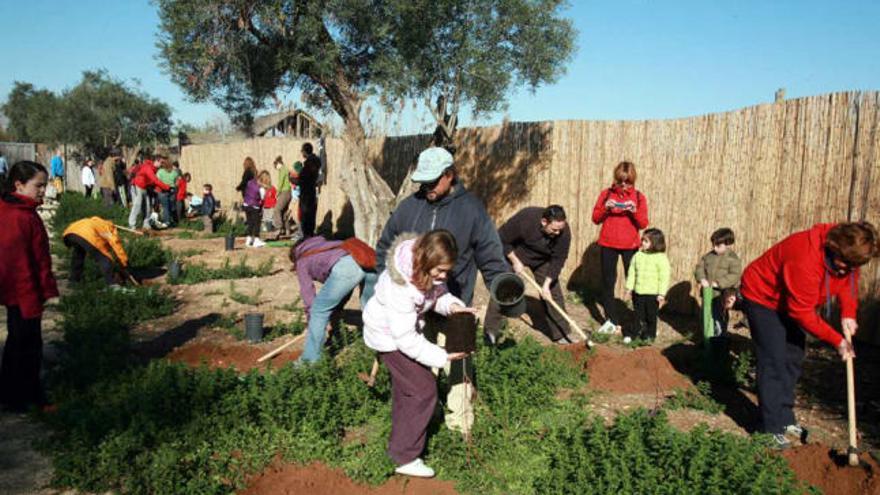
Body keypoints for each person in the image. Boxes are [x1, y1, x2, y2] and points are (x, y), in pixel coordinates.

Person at [370, 146, 509, 435]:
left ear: (450, 175)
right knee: (419, 367)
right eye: (423, 182)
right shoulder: (409, 207)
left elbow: (490, 256)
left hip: (452, 306)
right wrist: (389, 290)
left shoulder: (471, 210)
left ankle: (459, 428)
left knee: (457, 367)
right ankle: (425, 423)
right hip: (412, 310)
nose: (427, 188)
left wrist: (504, 289)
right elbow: (385, 248)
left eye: (433, 182)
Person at [740, 222, 879, 449]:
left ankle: (783, 418)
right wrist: (838, 341)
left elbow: (848, 282)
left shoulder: (847, 252)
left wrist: (848, 313)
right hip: (762, 297)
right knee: (774, 359)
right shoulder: (804, 257)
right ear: (834, 248)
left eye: (853, 266)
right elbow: (802, 313)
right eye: (845, 264)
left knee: (793, 356)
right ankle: (768, 428)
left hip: (789, 301)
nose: (847, 269)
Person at [363, 230, 474, 478]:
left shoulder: (426, 269)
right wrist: (442, 357)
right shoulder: (399, 286)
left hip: (402, 333)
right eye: (441, 271)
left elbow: (438, 295)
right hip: (388, 337)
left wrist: (453, 305)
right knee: (423, 390)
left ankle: (399, 446)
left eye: (447, 271)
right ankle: (405, 457)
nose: (444, 276)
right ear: (425, 260)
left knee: (409, 390)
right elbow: (405, 339)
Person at [0, 161, 59, 412]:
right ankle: (27, 399)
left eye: (44, 185)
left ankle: (13, 395)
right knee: (27, 346)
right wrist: (32, 298)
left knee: (18, 342)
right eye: (38, 185)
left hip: (23, 292)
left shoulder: (24, 211)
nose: (43, 190)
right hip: (23, 293)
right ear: (19, 185)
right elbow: (19, 264)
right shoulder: (15, 217)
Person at [484, 205, 573, 344]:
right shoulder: (526, 218)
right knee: (503, 287)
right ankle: (490, 333)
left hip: (544, 259)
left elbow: (558, 260)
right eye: (554, 229)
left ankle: (562, 334)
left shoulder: (563, 232)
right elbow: (501, 239)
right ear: (544, 222)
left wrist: (547, 285)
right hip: (518, 252)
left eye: (560, 230)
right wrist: (515, 261)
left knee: (553, 294)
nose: (557, 233)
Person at [591, 161, 649, 333]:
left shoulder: (639, 197)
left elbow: (643, 223)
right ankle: (611, 320)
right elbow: (595, 218)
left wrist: (633, 210)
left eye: (628, 181)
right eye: (620, 180)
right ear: (616, 178)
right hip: (608, 244)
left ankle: (640, 320)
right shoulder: (606, 194)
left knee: (636, 282)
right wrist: (606, 209)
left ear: (633, 180)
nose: (624, 185)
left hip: (630, 245)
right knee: (608, 282)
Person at [291, 236, 369, 363]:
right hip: (368, 263)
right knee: (371, 311)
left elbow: (308, 294)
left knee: (318, 310)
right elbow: (342, 291)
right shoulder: (329, 246)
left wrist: (313, 322)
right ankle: (374, 351)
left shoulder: (301, 260)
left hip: (348, 266)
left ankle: (309, 362)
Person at [694, 228, 742, 343]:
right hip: (707, 293)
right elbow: (699, 268)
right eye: (713, 244)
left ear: (727, 244)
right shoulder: (708, 256)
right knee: (706, 315)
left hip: (722, 295)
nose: (714, 248)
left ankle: (720, 338)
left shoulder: (733, 259)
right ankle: (707, 338)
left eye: (718, 245)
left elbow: (735, 275)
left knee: (719, 317)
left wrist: (719, 283)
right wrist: (702, 279)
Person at [624, 228, 670, 342]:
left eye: (646, 241)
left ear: (655, 243)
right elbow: (632, 272)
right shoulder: (638, 256)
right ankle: (636, 332)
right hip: (638, 292)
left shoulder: (661, 258)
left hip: (652, 294)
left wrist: (661, 294)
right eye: (642, 240)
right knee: (638, 314)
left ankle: (650, 334)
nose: (642, 243)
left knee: (651, 315)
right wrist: (629, 287)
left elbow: (664, 277)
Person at [62, 217, 130, 286]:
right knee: (105, 259)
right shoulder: (109, 228)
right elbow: (115, 244)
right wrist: (124, 262)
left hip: (69, 234)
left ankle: (74, 279)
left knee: (79, 254)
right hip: (86, 235)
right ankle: (113, 284)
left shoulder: (97, 222)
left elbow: (101, 242)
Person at [128, 157, 170, 230]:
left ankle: (146, 224)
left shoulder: (155, 169)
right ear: (157, 161)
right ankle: (132, 224)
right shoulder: (148, 167)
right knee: (137, 205)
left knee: (148, 207)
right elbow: (155, 180)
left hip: (145, 187)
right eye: (161, 162)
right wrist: (166, 187)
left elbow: (152, 182)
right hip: (138, 186)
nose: (162, 165)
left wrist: (159, 188)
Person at [297, 143, 321, 237]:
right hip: (311, 193)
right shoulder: (314, 163)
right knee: (310, 216)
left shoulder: (309, 165)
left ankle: (307, 237)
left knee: (306, 217)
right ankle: (309, 235)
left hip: (306, 194)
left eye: (302, 151)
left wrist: (294, 180)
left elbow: (304, 180)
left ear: (305, 151)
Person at [243, 170, 271, 248]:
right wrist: (261, 209)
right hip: (254, 206)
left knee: (250, 223)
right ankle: (256, 240)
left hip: (246, 204)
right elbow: (261, 199)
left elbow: (246, 192)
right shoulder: (261, 189)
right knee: (256, 223)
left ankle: (248, 240)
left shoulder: (250, 182)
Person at [273, 155, 294, 239]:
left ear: (278, 164)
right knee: (284, 212)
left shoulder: (282, 170)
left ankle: (279, 228)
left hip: (285, 192)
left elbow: (281, 182)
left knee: (277, 209)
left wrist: (277, 193)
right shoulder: (285, 169)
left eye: (275, 166)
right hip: (288, 192)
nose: (276, 168)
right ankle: (287, 230)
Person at [156, 159, 179, 226]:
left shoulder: (160, 172)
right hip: (172, 190)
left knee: (165, 207)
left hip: (163, 190)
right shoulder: (175, 172)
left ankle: (167, 221)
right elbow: (177, 183)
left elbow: (157, 181)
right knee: (172, 206)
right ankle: (174, 220)